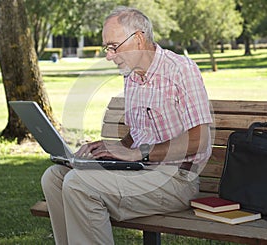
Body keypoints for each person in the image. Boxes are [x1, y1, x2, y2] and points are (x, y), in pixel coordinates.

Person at [41, 6, 212, 245]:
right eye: (106, 48)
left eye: (113, 46)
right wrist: (113, 150)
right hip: (141, 172)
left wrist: (139, 153)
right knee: (54, 177)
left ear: (139, 39)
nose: (109, 56)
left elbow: (200, 139)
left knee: (79, 185)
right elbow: (138, 133)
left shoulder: (181, 70)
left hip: (176, 179)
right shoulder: (131, 75)